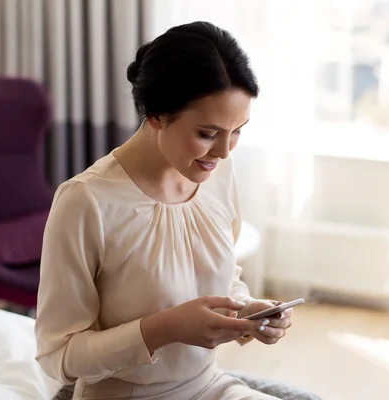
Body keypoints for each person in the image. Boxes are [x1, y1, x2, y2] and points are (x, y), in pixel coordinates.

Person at [35, 21, 294, 400]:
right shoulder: (86, 201)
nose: (224, 151)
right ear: (156, 114)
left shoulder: (217, 173)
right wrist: (164, 328)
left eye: (238, 130)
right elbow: (58, 355)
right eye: (207, 133)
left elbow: (224, 276)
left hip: (209, 385)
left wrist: (246, 313)